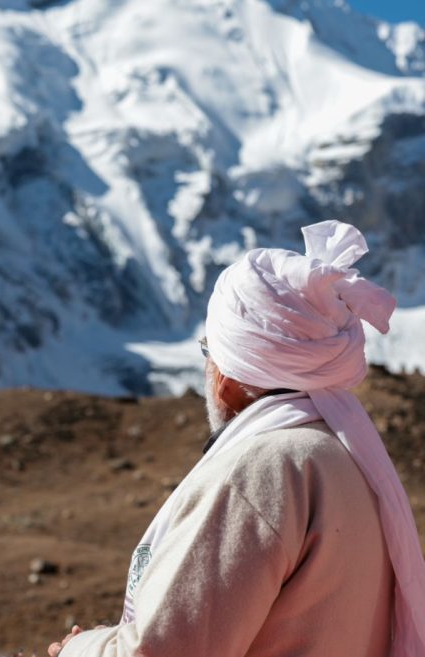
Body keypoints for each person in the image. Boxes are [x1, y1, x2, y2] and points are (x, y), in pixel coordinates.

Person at [48, 220, 425, 657]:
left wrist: (77, 650)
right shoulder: (347, 455)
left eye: (210, 350)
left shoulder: (263, 470)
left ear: (224, 378)